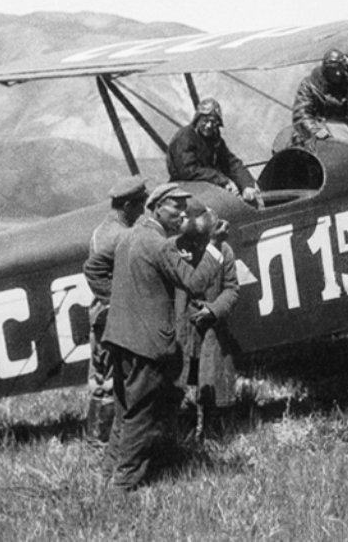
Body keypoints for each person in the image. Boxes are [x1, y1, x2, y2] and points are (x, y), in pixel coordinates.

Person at [101, 182, 223, 492]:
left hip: (119, 337)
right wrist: (214, 246)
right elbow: (194, 283)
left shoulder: (129, 236)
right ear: (156, 208)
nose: (182, 214)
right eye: (175, 207)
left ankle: (108, 471)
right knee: (142, 415)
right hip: (146, 344)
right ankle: (124, 484)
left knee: (124, 410)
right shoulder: (160, 245)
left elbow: (97, 266)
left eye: (185, 208)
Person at [81, 175, 149, 446]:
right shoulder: (122, 236)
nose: (143, 211)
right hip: (113, 315)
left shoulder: (100, 231)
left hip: (98, 313)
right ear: (128, 206)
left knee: (99, 377)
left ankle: (94, 436)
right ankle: (106, 440)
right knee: (114, 378)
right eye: (140, 205)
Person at [174, 200, 240, 438]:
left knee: (212, 381)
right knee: (175, 381)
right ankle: (177, 432)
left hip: (211, 329)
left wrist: (214, 310)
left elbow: (231, 289)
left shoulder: (224, 250)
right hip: (183, 328)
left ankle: (213, 433)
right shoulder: (176, 248)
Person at [166, 98, 262, 207]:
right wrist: (222, 180)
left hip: (208, 187)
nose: (209, 125)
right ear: (198, 119)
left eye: (213, 122)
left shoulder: (214, 138)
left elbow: (230, 163)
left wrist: (246, 184)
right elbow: (188, 171)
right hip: (186, 189)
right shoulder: (185, 137)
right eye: (205, 120)